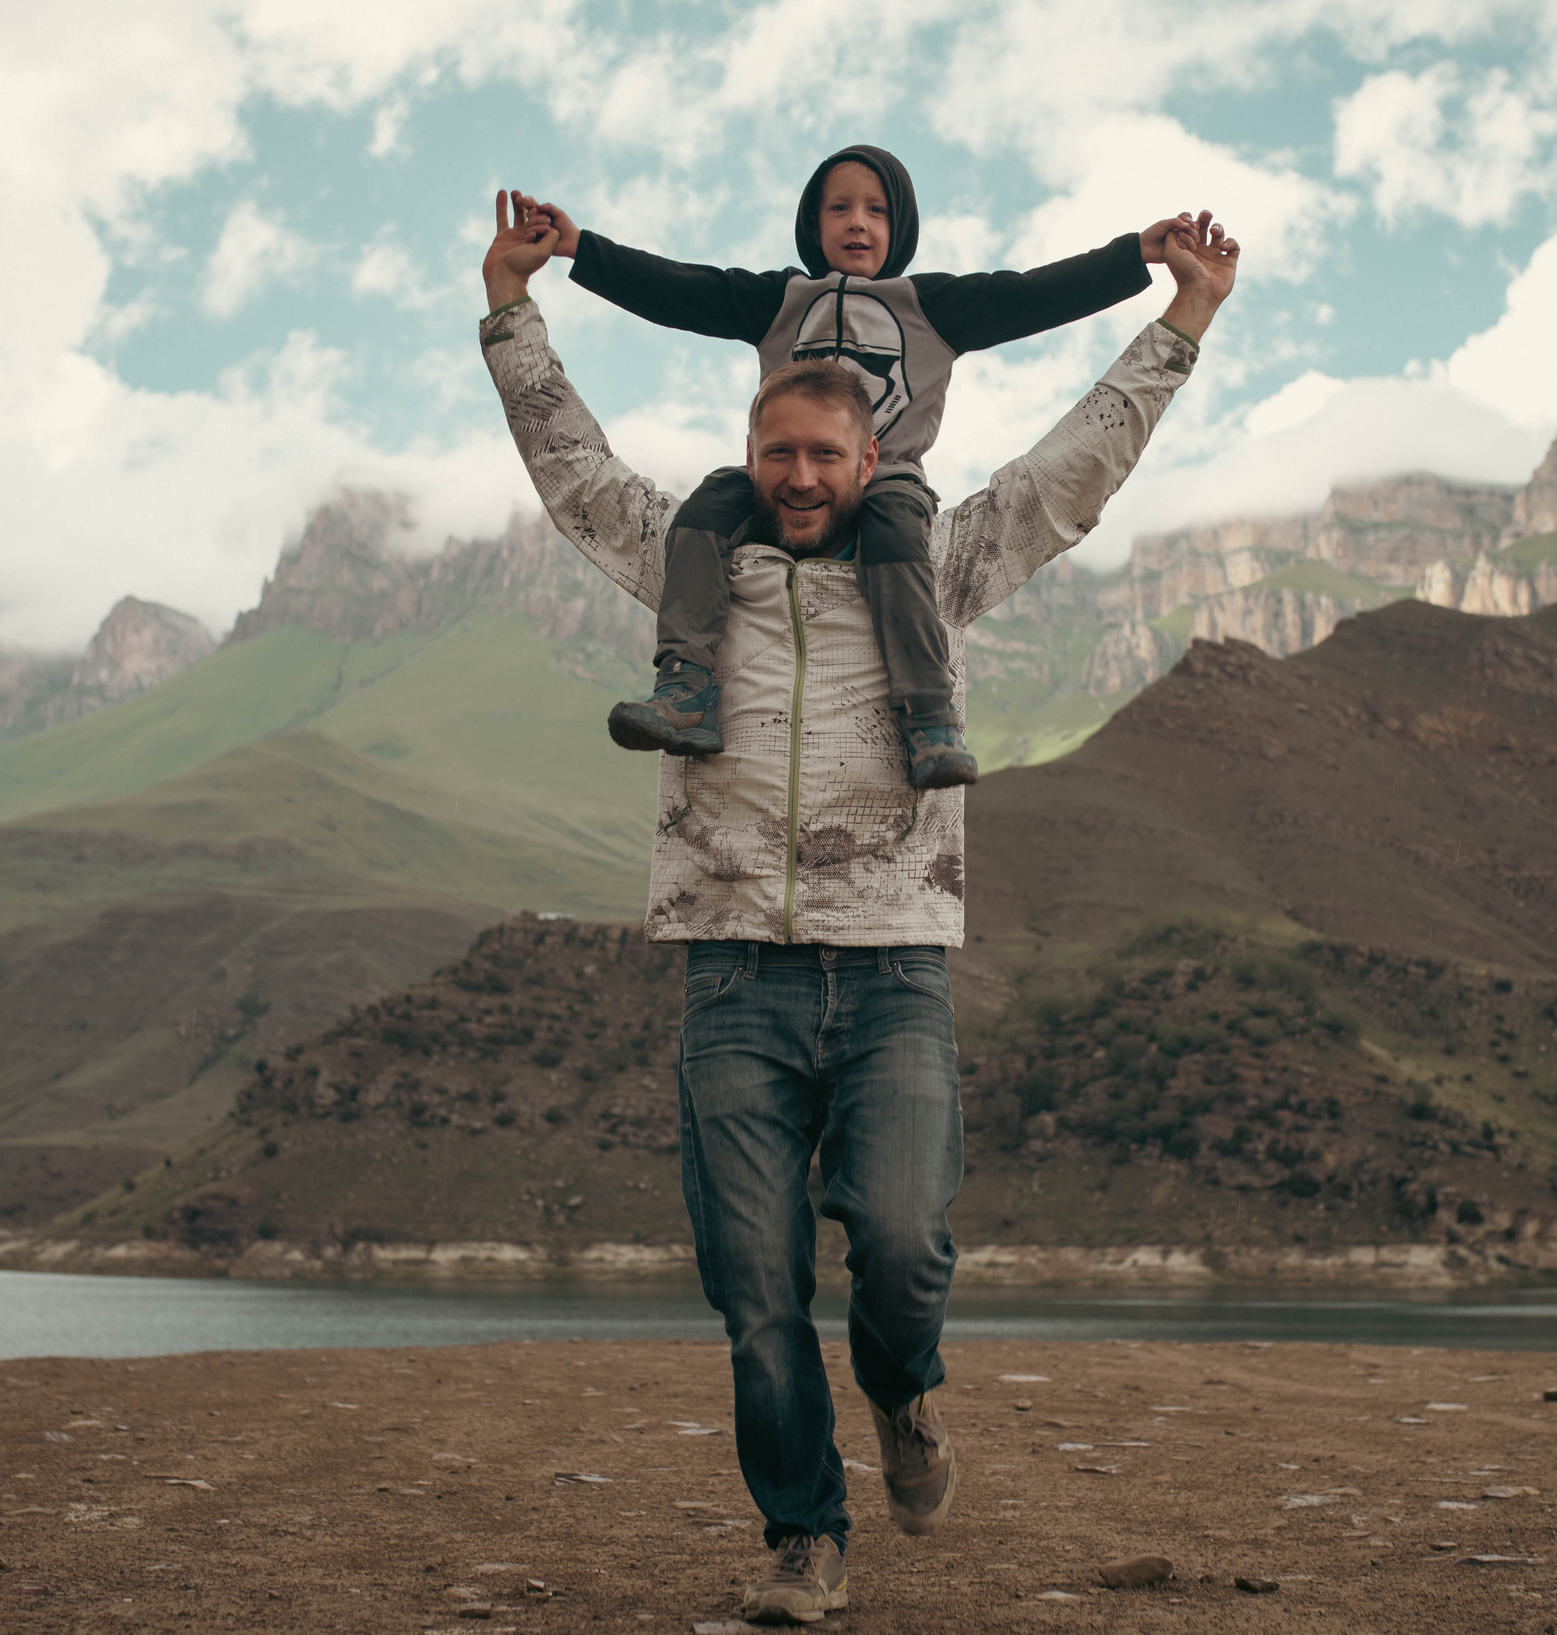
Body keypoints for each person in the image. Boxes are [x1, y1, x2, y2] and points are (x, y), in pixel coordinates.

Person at [476, 190, 1238, 1626]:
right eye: (778, 452)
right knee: (754, 1289)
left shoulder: (936, 567)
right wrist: (514, 310)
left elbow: (1072, 468)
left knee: (899, 1244)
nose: (800, 475)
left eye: (826, 453)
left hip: (893, 970)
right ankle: (802, 1537)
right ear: (749, 454)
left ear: (872, 456)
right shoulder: (694, 562)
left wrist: (1181, 319)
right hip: (731, 977)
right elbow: (573, 467)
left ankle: (901, 1389)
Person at [513, 147, 1201, 789]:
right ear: (813, 225)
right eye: (838, 208)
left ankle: (928, 715)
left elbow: (1032, 293)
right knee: (706, 505)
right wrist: (581, 248)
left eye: (876, 209)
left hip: (888, 481)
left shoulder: (932, 305)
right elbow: (681, 288)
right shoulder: (780, 300)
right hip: (780, 485)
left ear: (899, 227)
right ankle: (687, 687)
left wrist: (1135, 254)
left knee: (899, 539)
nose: (857, 222)